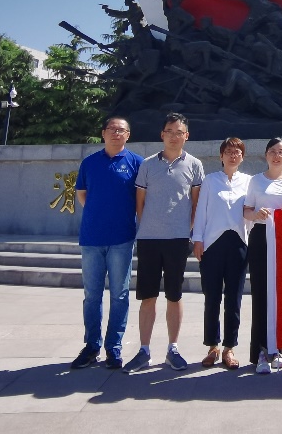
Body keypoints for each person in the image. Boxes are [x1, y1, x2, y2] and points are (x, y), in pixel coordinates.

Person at [122, 113, 204, 373]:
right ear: (162, 134)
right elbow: (140, 202)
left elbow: (196, 203)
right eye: (170, 131)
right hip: (149, 239)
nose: (174, 136)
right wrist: (146, 226)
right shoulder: (147, 164)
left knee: (174, 295)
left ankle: (173, 348)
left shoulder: (194, 165)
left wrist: (187, 230)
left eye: (179, 132)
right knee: (148, 295)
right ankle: (144, 350)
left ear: (186, 136)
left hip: (178, 239)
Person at [72, 117, 143, 370]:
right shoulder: (89, 163)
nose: (116, 133)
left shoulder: (137, 163)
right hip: (92, 238)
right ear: (103, 133)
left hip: (122, 238)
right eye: (111, 129)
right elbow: (82, 194)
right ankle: (92, 346)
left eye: (121, 130)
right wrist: (98, 215)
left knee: (120, 295)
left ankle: (114, 346)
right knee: (92, 295)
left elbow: (141, 199)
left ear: (128, 135)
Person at [244, 137, 282, 373]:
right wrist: (256, 214)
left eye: (281, 152)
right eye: (272, 151)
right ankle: (260, 351)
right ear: (265, 155)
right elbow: (247, 210)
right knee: (261, 293)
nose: (276, 156)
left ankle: (279, 348)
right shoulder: (256, 181)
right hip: (261, 238)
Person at [191, 137, 251, 370]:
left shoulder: (249, 182)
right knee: (212, 297)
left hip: (238, 244)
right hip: (212, 244)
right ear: (221, 156)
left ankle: (229, 348)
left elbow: (252, 211)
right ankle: (212, 346)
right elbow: (201, 212)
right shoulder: (210, 181)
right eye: (228, 152)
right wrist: (198, 239)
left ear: (242, 157)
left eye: (237, 152)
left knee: (234, 299)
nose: (232, 156)